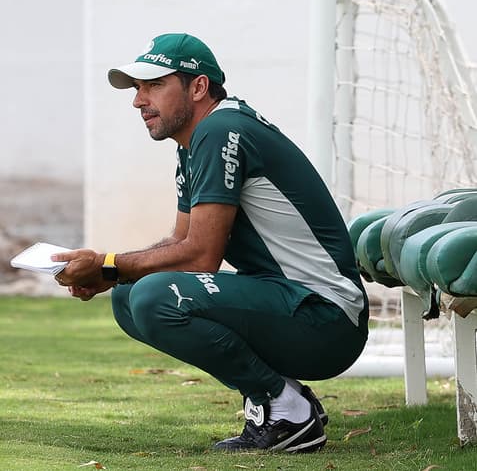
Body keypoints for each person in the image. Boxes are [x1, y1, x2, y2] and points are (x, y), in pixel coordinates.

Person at [52, 33, 369, 453]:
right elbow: (179, 241)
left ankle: (285, 408)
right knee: (128, 295)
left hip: (325, 318)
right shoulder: (196, 141)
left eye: (154, 86)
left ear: (198, 87)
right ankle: (281, 402)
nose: (138, 101)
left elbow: (200, 256)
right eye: (137, 89)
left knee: (152, 298)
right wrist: (108, 272)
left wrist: (105, 260)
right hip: (295, 305)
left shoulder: (222, 130)